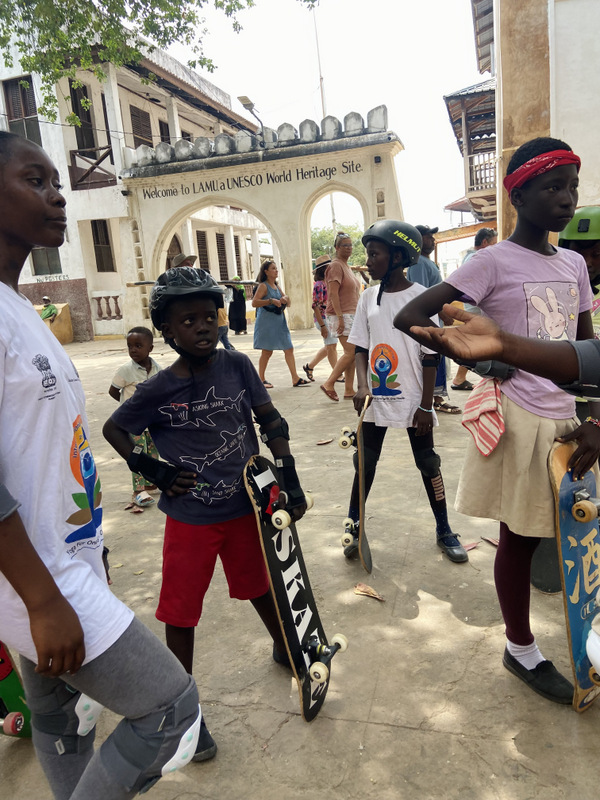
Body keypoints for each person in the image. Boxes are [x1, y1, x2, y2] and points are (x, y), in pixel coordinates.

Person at [0, 130, 201, 799]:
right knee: (170, 710)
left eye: (57, 183)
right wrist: (42, 599)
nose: (58, 197)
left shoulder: (17, 307)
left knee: (64, 717)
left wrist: (90, 552)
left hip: (60, 562)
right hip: (33, 579)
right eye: (35, 181)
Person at [396, 136, 600, 704]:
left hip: (570, 422)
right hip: (522, 417)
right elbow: (412, 314)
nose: (567, 198)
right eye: (552, 187)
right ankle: (520, 647)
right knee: (519, 536)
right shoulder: (490, 261)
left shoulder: (574, 264)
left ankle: (585, 637)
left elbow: (586, 350)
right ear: (518, 196)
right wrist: (486, 362)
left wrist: (594, 420)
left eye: (572, 187)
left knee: (580, 533)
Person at [103, 266, 308, 760]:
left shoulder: (237, 366)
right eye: (187, 320)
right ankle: (182, 714)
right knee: (180, 612)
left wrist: (289, 476)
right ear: (167, 331)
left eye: (208, 316)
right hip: (190, 518)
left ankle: (285, 644)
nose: (202, 327)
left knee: (259, 584)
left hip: (245, 507)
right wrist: (152, 468)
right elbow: (115, 429)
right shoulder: (157, 388)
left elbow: (270, 419)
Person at [344, 220, 468, 564]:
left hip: (414, 399)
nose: (368, 261)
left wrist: (426, 406)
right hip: (376, 399)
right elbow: (360, 347)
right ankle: (354, 526)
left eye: (375, 254)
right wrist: (363, 385)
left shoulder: (420, 298)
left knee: (428, 463)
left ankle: (444, 529)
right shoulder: (368, 297)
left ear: (398, 256)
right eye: (368, 254)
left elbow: (431, 356)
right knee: (364, 463)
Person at [109, 326, 162, 506]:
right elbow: (113, 391)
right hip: (133, 423)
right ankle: (138, 491)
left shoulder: (157, 369)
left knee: (153, 453)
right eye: (130, 346)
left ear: (150, 348)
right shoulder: (126, 370)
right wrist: (127, 407)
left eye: (138, 346)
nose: (133, 350)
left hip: (152, 422)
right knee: (137, 454)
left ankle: (151, 483)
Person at [409, 225, 459, 414]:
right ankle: (434, 400)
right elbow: (422, 294)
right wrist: (442, 312)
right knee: (433, 358)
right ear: (418, 240)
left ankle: (436, 399)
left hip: (434, 319)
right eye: (428, 237)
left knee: (438, 359)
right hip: (429, 320)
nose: (433, 240)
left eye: (432, 237)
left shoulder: (426, 262)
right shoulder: (419, 263)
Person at [451, 227, 498, 391]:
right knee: (477, 343)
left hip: (474, 305)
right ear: (485, 242)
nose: (495, 247)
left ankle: (461, 378)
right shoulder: (478, 258)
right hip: (477, 306)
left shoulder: (470, 257)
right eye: (494, 243)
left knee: (475, 343)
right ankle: (460, 378)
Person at [252, 259, 310, 388]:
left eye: (276, 268)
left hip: (279, 322)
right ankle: (261, 379)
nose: (276, 270)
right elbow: (254, 302)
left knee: (289, 348)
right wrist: (271, 301)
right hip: (267, 323)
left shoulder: (276, 286)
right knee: (267, 351)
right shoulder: (263, 286)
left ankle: (295, 378)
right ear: (266, 272)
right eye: (273, 268)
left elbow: (288, 302)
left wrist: (285, 298)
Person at [319, 232, 361, 402]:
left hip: (351, 313)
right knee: (352, 351)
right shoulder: (335, 266)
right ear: (336, 248)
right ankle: (329, 383)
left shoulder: (346, 266)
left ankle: (349, 389)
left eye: (350, 245)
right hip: (341, 314)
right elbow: (333, 294)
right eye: (345, 245)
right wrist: (340, 318)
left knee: (351, 353)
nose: (349, 248)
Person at [302, 255, 338, 381]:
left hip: (330, 318)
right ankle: (337, 374)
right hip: (323, 318)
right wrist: (322, 325)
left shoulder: (329, 283)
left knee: (330, 346)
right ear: (325, 269)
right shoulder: (319, 285)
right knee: (331, 346)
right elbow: (315, 306)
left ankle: (310, 367)